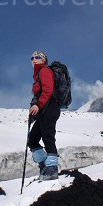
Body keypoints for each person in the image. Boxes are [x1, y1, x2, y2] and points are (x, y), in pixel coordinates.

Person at [28, 51, 61, 181]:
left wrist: (38, 105)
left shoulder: (45, 71)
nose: (34, 59)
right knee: (32, 139)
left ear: (44, 60)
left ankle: (52, 169)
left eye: (37, 57)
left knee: (48, 137)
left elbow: (48, 90)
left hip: (50, 108)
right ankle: (44, 165)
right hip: (44, 110)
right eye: (32, 58)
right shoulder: (38, 75)